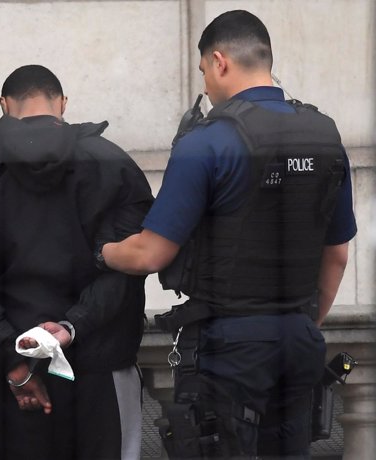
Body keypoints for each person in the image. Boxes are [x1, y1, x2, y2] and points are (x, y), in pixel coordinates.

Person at [101, 10, 357, 459]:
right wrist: (301, 323)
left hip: (230, 345)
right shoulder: (325, 135)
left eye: (203, 71)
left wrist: (101, 252)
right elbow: (336, 254)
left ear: (220, 62)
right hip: (298, 340)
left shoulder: (207, 142)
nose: (204, 86)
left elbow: (149, 254)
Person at [0, 64, 153, 459]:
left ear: (3, 105)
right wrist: (70, 327)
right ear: (62, 104)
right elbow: (128, 266)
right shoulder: (110, 162)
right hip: (99, 367)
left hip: (9, 379)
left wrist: (13, 359)